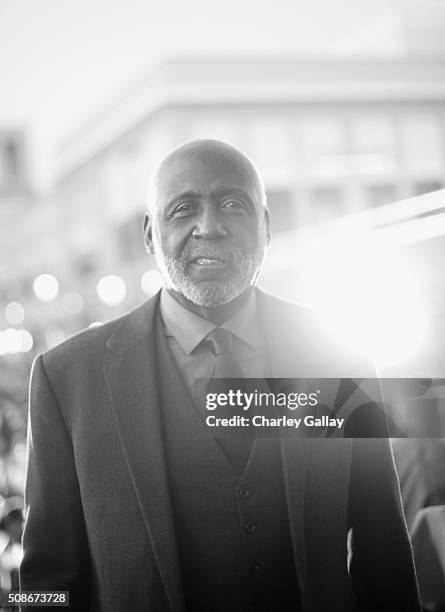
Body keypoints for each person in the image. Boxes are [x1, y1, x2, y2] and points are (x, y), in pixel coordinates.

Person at [20, 140, 421, 611]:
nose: (209, 227)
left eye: (233, 204)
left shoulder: (341, 354)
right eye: (183, 209)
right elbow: (45, 577)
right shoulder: (67, 378)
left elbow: (384, 547)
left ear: (266, 226)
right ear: (150, 235)